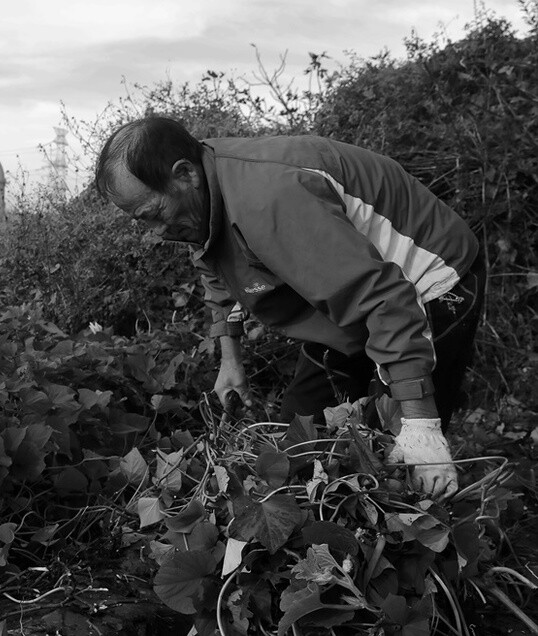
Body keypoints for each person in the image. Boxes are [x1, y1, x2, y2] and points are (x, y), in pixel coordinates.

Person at [95, 116, 486, 498]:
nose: (158, 233)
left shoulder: (268, 199)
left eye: (153, 215)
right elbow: (218, 273)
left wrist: (420, 423)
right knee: (298, 443)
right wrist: (230, 361)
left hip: (427, 284)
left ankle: (424, 529)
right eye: (141, 222)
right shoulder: (203, 199)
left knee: (391, 460)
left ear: (184, 174)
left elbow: (384, 297)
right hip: (347, 301)